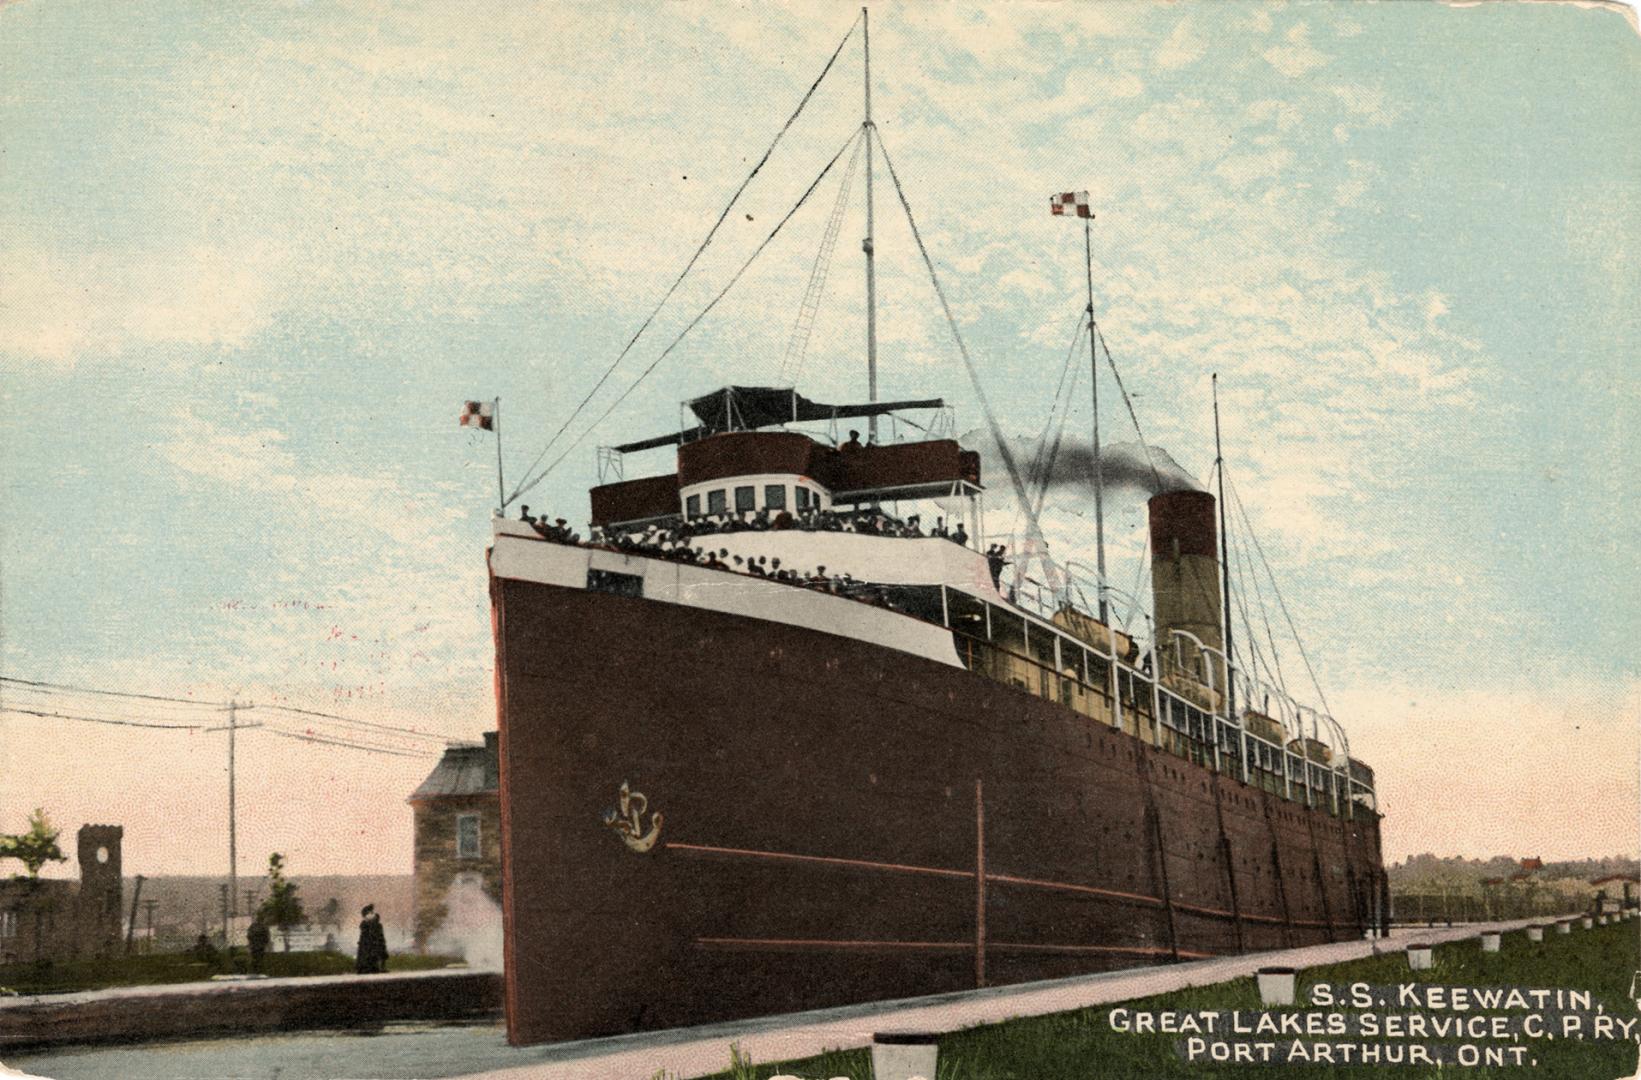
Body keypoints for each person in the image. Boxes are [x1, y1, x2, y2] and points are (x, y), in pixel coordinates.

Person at [356, 904, 388, 974]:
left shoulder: (377, 925)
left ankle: (379, 967)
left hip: (375, 946)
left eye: (371, 913)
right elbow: (365, 938)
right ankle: (367, 967)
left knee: (378, 956)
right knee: (368, 958)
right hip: (368, 948)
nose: (371, 914)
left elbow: (380, 936)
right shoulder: (364, 925)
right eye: (369, 913)